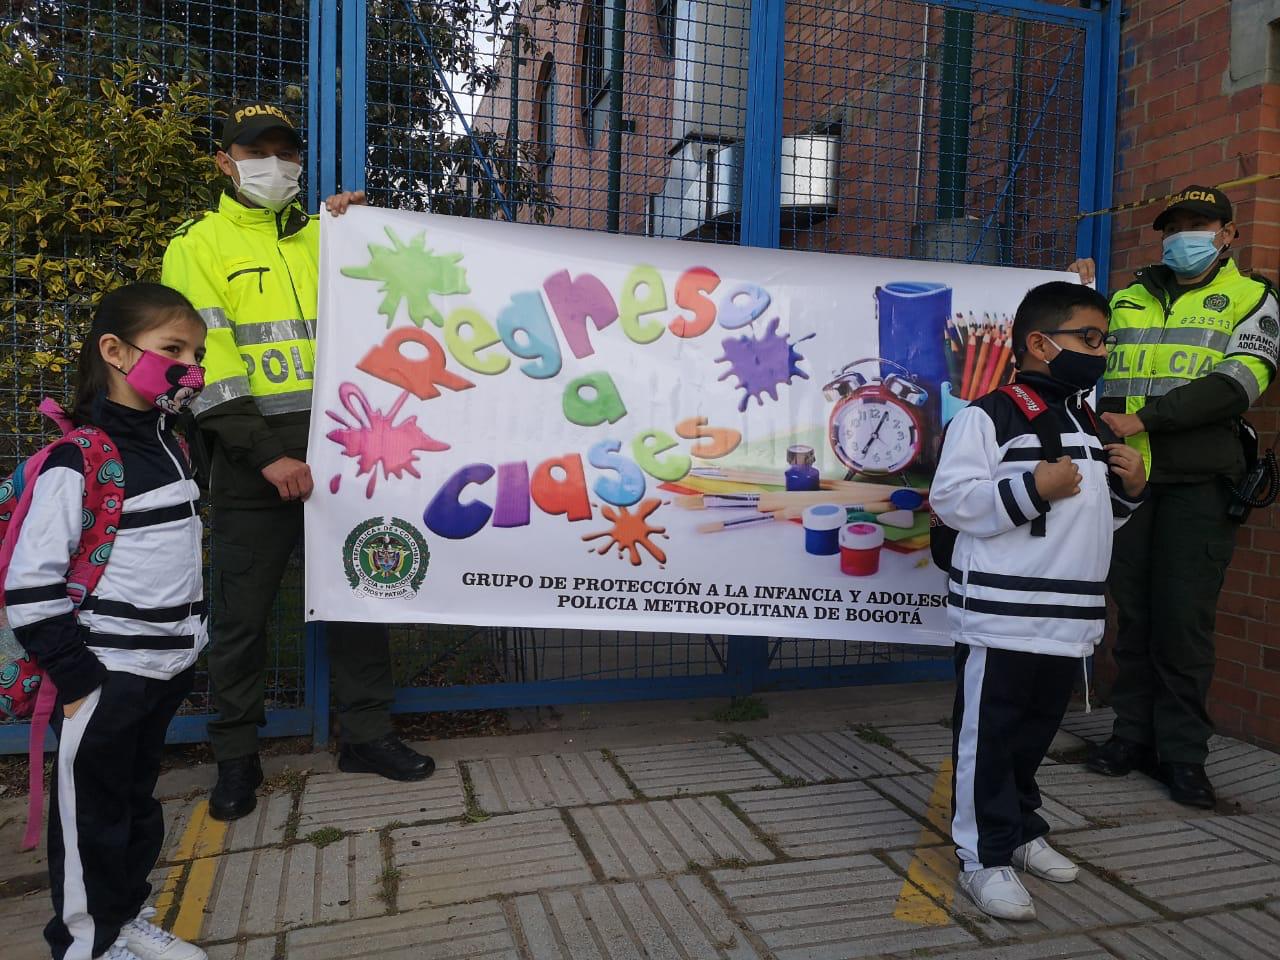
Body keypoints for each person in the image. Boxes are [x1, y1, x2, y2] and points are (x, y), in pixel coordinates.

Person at [161, 103, 433, 823]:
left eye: (287, 152)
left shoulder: (327, 238)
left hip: (345, 455)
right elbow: (203, 364)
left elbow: (396, 296)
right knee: (243, 620)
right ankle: (236, 759)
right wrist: (267, 453)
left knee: (358, 595)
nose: (274, 164)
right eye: (257, 151)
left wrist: (366, 226)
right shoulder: (197, 244)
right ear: (224, 161)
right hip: (256, 461)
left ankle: (368, 736)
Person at [5, 285, 209, 959]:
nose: (190, 368)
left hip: (164, 667)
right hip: (106, 675)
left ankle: (121, 920)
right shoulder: (80, 459)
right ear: (116, 352)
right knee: (90, 816)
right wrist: (79, 679)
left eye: (197, 353)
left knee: (136, 805)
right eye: (173, 350)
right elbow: (29, 588)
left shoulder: (174, 447)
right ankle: (83, 944)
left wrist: (190, 641)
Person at [932, 281, 1147, 921]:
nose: (1099, 350)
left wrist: (1130, 491)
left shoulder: (1086, 419)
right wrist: (1034, 485)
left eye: (1102, 339)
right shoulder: (986, 414)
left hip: (1067, 618)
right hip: (1002, 617)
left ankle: (1021, 829)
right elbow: (952, 501)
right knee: (989, 738)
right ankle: (983, 855)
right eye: (1089, 338)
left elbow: (1090, 521)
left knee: (1032, 734)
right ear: (1039, 343)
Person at [1070, 186, 1279, 808]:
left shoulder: (1254, 298)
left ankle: (1183, 756)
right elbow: (1082, 349)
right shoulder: (1128, 297)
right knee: (1131, 614)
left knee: (1183, 624)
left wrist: (1148, 420)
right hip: (1127, 480)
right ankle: (1130, 737)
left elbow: (1239, 384)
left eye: (1199, 224)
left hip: (1197, 487)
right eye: (1175, 225)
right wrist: (1081, 296)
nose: (1184, 234)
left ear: (1228, 234)